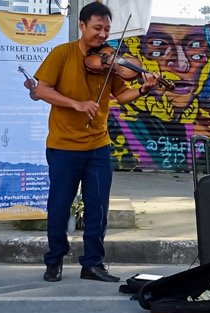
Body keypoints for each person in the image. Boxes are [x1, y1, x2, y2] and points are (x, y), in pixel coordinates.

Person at [34, 2, 160, 283]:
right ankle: (54, 260)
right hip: (64, 146)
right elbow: (41, 89)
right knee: (58, 206)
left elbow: (122, 95)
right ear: (82, 26)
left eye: (106, 29)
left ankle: (93, 264)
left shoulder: (108, 60)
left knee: (98, 208)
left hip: (98, 146)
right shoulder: (62, 54)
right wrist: (75, 104)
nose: (103, 35)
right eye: (97, 28)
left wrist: (143, 88)